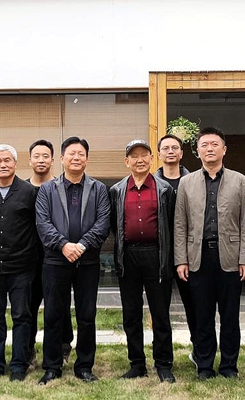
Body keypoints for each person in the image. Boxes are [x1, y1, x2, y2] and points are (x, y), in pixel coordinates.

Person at [175, 127, 245, 380]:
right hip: (197, 257)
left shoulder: (239, 181)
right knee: (202, 316)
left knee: (230, 316)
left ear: (224, 149)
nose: (210, 148)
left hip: (230, 256)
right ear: (197, 151)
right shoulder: (186, 183)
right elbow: (180, 224)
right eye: (204, 145)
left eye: (215, 144)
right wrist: (181, 259)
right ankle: (205, 365)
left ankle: (229, 366)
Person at [35, 136, 110, 385]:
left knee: (87, 315)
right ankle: (52, 367)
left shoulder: (99, 189)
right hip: (55, 262)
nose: (76, 158)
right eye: (71, 153)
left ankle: (84, 366)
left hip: (87, 262)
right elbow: (43, 223)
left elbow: (103, 224)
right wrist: (63, 245)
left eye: (81, 154)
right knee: (53, 315)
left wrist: (82, 245)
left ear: (86, 159)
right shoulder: (47, 189)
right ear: (62, 158)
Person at [110, 139, 176, 383]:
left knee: (160, 313)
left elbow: (171, 224)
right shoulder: (117, 190)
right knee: (131, 314)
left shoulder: (165, 190)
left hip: (156, 255)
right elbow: (114, 225)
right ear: (126, 161)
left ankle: (163, 364)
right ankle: (137, 363)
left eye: (144, 155)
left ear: (151, 158)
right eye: (134, 156)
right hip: (128, 256)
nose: (139, 160)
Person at [0, 144, 38, 382]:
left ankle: (19, 366)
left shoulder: (29, 192)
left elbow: (37, 227)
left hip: (22, 267)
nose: (3, 165)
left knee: (22, 316)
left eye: (7, 160)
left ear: (15, 163)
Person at [26, 139, 74, 368]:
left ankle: (63, 347)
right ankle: (28, 350)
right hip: (29, 259)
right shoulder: (23, 189)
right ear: (30, 161)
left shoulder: (61, 187)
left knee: (60, 305)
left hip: (56, 256)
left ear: (53, 160)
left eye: (46, 156)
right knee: (29, 306)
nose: (41, 160)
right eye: (36, 156)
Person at [154, 134, 197, 365]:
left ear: (181, 153)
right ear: (159, 154)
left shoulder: (195, 182)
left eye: (175, 148)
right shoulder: (151, 183)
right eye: (166, 148)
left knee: (194, 306)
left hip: (189, 255)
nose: (170, 151)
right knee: (160, 309)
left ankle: (200, 352)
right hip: (159, 255)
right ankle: (163, 359)